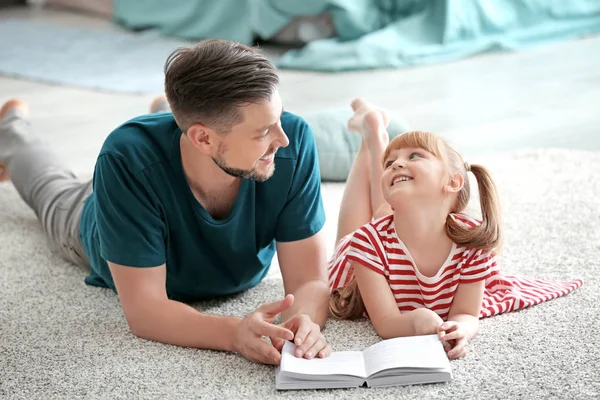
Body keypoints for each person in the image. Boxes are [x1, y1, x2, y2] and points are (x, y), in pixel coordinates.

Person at [0, 39, 333, 365]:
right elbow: (146, 311)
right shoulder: (125, 158)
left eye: (280, 117)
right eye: (263, 132)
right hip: (103, 216)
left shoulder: (292, 142)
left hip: (186, 148)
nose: (283, 138)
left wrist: (304, 322)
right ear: (202, 138)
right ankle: (11, 127)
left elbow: (310, 280)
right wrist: (234, 333)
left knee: (198, 132)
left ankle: (167, 111)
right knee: (49, 186)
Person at [327, 98, 583, 359]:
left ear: (453, 181)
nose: (396, 164)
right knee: (362, 227)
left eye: (414, 155)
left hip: (389, 234)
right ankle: (370, 139)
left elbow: (468, 314)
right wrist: (416, 321)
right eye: (389, 163)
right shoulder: (366, 241)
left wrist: (461, 328)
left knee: (386, 211)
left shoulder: (472, 240)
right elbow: (386, 321)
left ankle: (373, 133)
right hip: (357, 265)